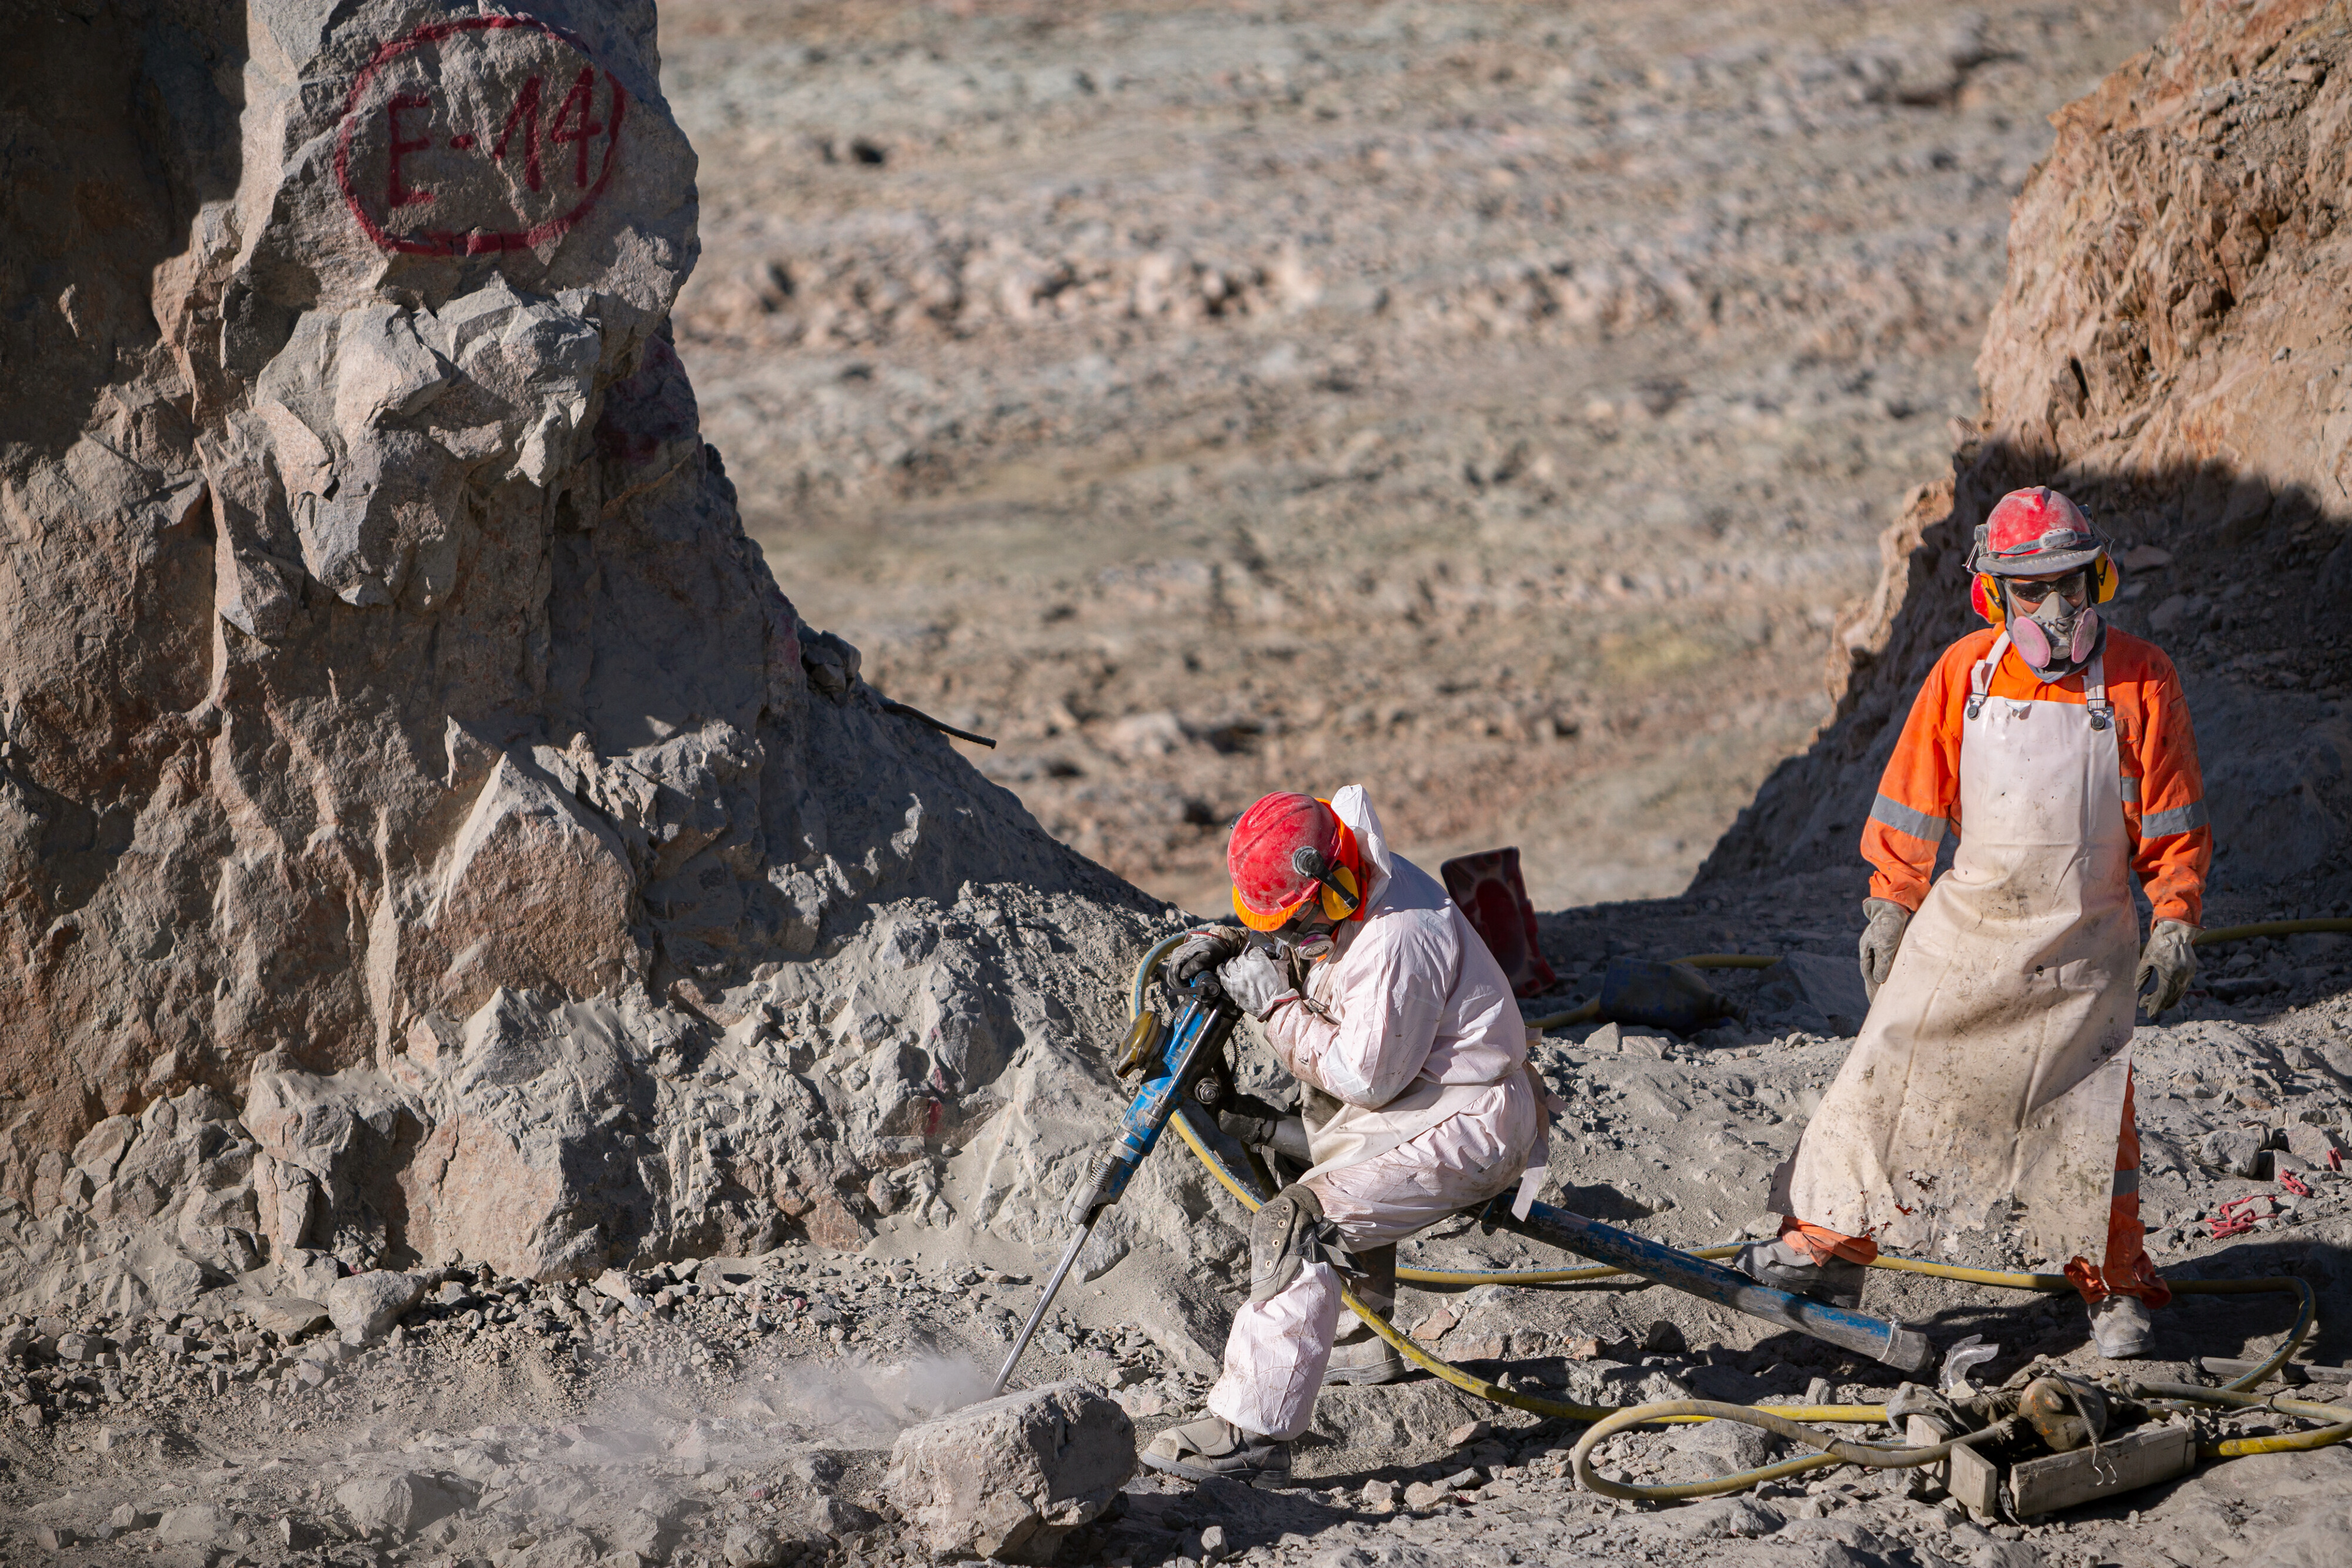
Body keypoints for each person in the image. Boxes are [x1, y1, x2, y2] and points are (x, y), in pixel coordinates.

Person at [1743, 486, 2209, 1360]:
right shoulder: (1965, 674)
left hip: (2083, 939)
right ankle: (1830, 1247)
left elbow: (2175, 826)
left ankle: (2111, 1287)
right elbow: (1913, 806)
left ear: (2098, 578)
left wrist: (2175, 919)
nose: (2056, 608)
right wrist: (1890, 904)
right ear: (1993, 594)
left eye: (2071, 584)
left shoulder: (2144, 680)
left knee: (2091, 1114)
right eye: (2031, 591)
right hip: (1968, 927)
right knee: (1883, 1071)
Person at [1139, 786, 1547, 1485]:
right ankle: (1363, 1335)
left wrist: (1272, 1002)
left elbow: (1366, 1077)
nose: (1303, 937)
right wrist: (1230, 941)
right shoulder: (1343, 880)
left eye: (1306, 922)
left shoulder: (1398, 936)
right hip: (1428, 1089)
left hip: (1473, 1118)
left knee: (1301, 1221)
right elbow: (1295, 929)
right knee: (1305, 1141)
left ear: (1338, 877)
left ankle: (1253, 1430)